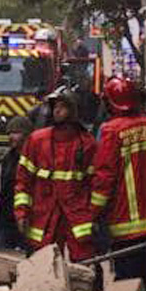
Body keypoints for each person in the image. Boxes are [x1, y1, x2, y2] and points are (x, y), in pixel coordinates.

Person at [90, 77, 146, 291]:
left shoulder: (111, 131)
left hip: (125, 225)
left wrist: (92, 213)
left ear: (110, 103)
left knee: (129, 285)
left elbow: (104, 176)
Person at [14, 87, 97, 261]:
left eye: (62, 107)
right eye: (55, 106)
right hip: (45, 215)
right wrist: (21, 212)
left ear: (73, 111)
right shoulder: (37, 141)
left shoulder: (87, 143)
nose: (57, 110)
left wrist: (95, 215)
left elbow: (95, 184)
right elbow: (23, 181)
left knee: (86, 266)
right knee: (43, 266)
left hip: (76, 216)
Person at [0, 116, 32, 251]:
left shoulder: (34, 159)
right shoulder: (8, 158)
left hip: (26, 219)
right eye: (9, 133)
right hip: (5, 218)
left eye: (15, 133)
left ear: (26, 135)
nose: (11, 137)